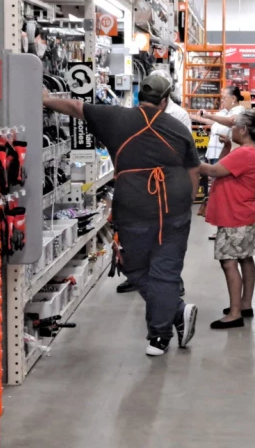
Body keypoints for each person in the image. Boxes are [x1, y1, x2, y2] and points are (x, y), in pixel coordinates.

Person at [43, 75, 200, 357]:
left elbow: (77, 107)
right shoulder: (178, 127)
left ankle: (160, 334)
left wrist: (45, 99)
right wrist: (185, 202)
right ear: (165, 101)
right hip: (173, 207)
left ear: (140, 97)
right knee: (165, 270)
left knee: (134, 267)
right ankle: (175, 313)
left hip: (133, 205)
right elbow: (193, 170)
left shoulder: (115, 118)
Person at [116, 68, 191, 295]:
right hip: (141, 183)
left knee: (166, 240)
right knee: (140, 236)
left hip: (165, 184)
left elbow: (185, 152)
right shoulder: (138, 111)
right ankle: (138, 276)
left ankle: (172, 282)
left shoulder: (179, 115)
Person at [199, 110, 255, 329]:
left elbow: (213, 170)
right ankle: (245, 304)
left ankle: (234, 313)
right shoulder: (253, 150)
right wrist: (227, 147)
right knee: (245, 258)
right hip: (246, 213)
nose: (231, 130)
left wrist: (188, 160)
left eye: (234, 126)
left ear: (243, 130)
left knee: (228, 262)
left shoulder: (245, 154)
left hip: (235, 216)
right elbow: (224, 168)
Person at [191, 85, 246, 240]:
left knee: (225, 193)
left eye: (224, 98)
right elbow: (210, 120)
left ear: (233, 98)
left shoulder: (239, 111)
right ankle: (223, 227)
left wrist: (210, 115)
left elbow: (231, 121)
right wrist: (191, 116)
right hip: (217, 155)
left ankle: (228, 227)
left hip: (229, 156)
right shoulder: (224, 112)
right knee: (220, 193)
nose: (222, 101)